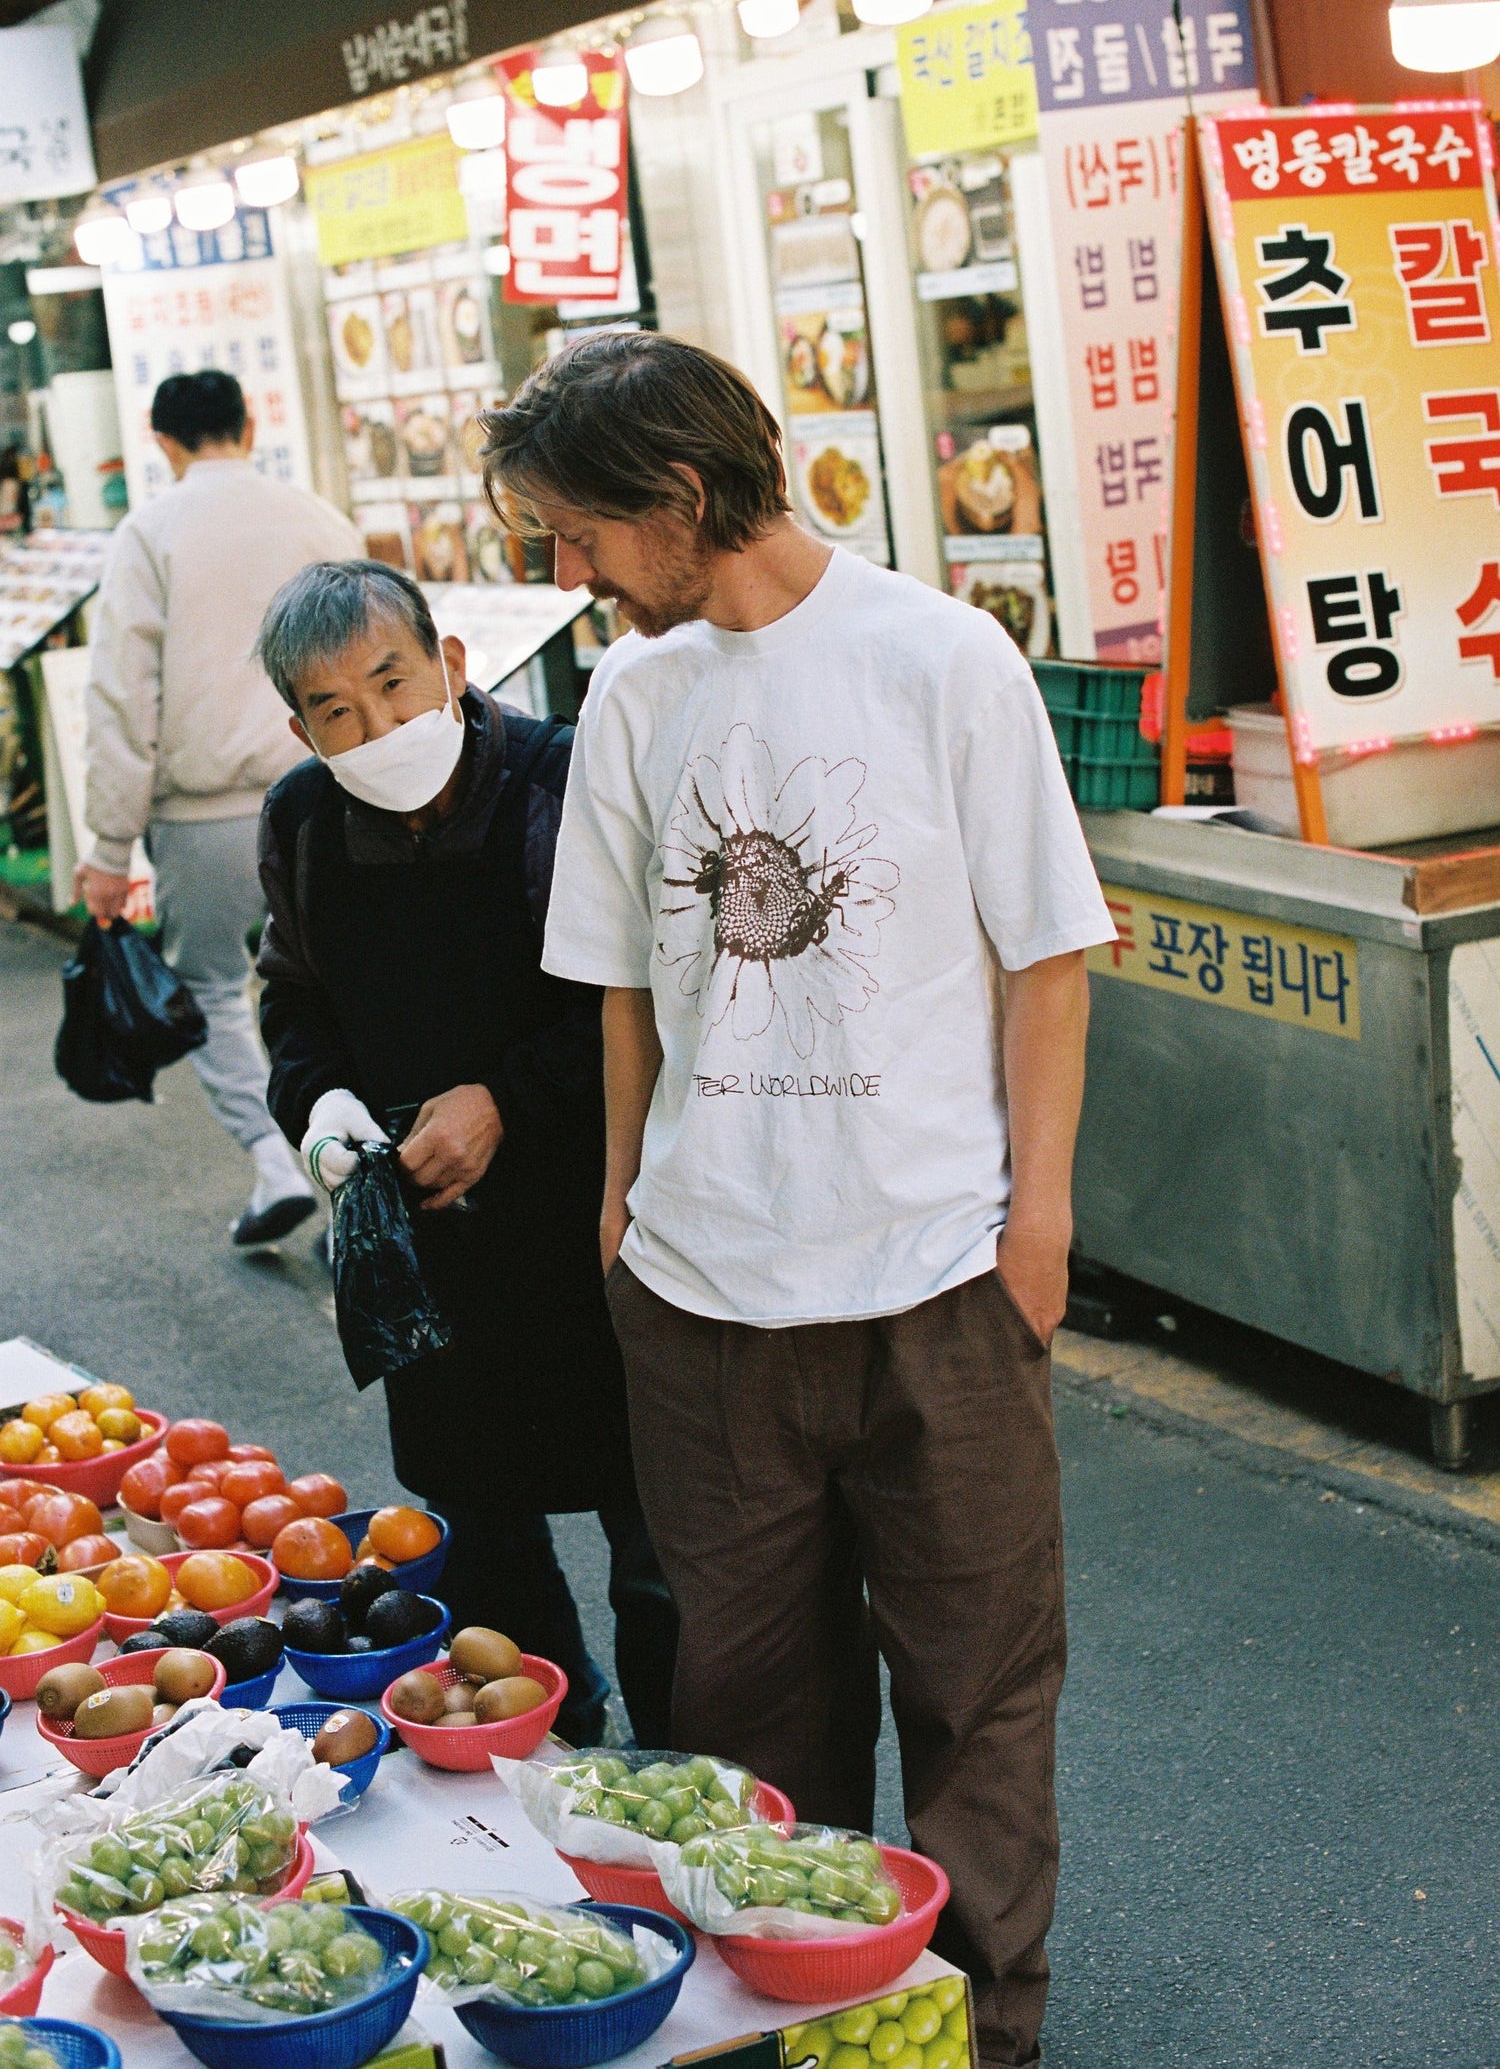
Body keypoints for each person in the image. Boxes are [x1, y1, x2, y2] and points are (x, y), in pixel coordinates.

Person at [480, 333, 1117, 2069]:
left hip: (940, 1280)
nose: (569, 573)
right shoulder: (631, 691)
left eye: (579, 534)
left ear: (680, 500)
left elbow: (1049, 961)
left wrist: (1037, 1234)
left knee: (978, 1694)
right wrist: (622, 1199)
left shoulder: (939, 660)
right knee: (755, 1708)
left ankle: (979, 2030)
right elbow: (621, 981)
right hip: (702, 1294)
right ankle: (805, 2019)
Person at [251, 558, 677, 1747]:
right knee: (482, 1536)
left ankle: (680, 1769)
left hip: (606, 1220)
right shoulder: (301, 821)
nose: (378, 725)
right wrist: (322, 1098)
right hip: (430, 1248)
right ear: (303, 727)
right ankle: (547, 1744)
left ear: (449, 661)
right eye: (339, 711)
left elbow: (639, 994)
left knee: (661, 1537)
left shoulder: (565, 779)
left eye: (394, 683)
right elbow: (292, 997)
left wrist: (503, 1095)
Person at [77, 369, 360, 1246]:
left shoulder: (150, 531)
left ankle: (277, 1160)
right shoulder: (318, 517)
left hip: (204, 815)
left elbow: (125, 691)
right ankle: (358, 1170)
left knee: (206, 985)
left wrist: (111, 844)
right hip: (331, 797)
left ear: (162, 441)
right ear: (250, 421)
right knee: (346, 985)